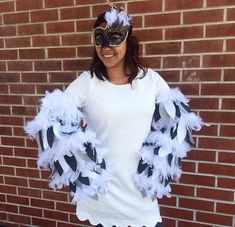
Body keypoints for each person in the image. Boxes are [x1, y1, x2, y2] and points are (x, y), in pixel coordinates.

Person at [25, 4, 203, 227]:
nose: (106, 46)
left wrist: (157, 162)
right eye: (100, 38)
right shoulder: (88, 82)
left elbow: (179, 121)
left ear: (129, 41)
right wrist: (82, 163)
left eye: (114, 37)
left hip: (141, 198)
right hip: (102, 198)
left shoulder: (150, 81)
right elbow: (50, 117)